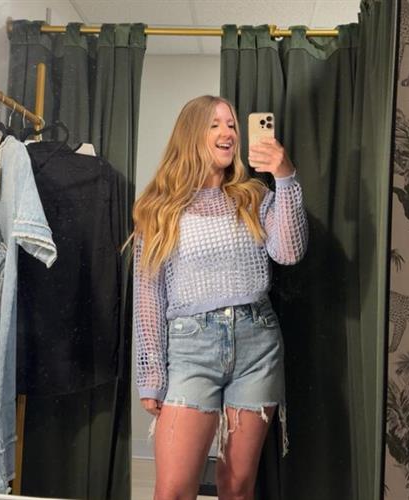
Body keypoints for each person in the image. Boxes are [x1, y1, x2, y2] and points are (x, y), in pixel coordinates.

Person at [129, 95, 308, 500]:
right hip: (191, 349)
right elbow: (149, 295)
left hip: (257, 344)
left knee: (237, 486)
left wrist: (285, 176)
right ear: (191, 134)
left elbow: (290, 250)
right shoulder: (158, 208)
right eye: (215, 125)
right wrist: (152, 374)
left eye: (231, 125)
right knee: (173, 490)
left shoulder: (253, 196)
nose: (227, 132)